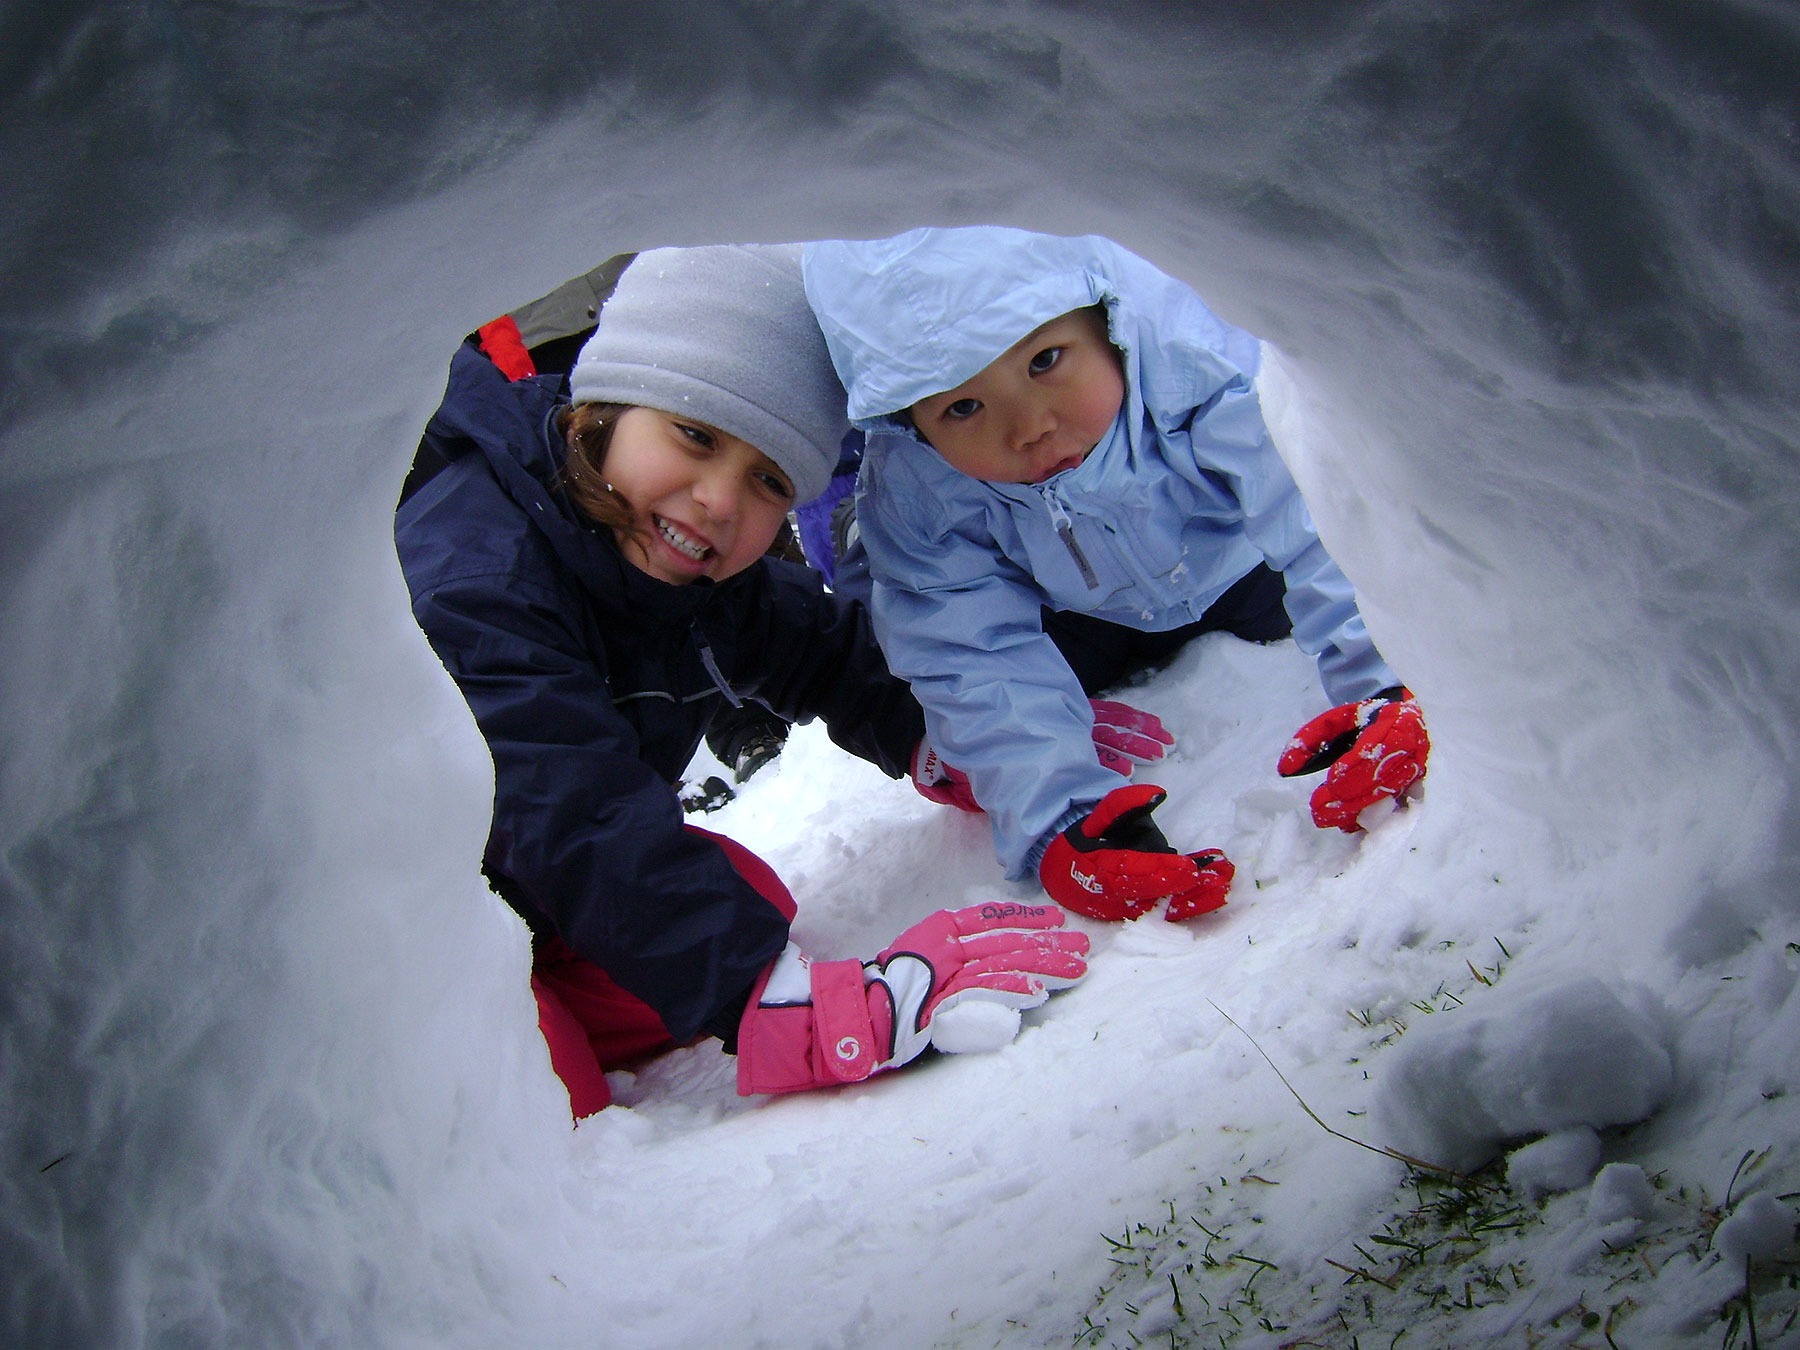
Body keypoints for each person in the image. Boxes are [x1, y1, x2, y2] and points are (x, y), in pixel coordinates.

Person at [393, 243, 1090, 1118]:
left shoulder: (659, 542)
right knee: (538, 1091)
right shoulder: (478, 575)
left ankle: (544, 982)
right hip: (404, 926)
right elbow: (570, 807)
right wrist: (779, 1002)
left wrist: (965, 737)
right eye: (695, 436)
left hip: (528, 891)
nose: (720, 500)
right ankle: (472, 1028)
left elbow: (817, 647)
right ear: (601, 408)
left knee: (741, 902)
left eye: (768, 480)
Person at [800, 226, 1430, 926]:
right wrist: (1057, 819)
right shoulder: (918, 485)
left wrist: (1394, 675)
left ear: (1103, 318)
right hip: (1084, 614)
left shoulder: (1191, 352)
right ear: (909, 424)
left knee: (1291, 589)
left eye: (1044, 361)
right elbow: (968, 650)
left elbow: (1318, 510)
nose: (1029, 426)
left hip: (1244, 563)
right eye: (963, 407)